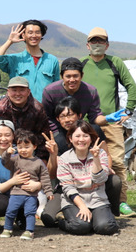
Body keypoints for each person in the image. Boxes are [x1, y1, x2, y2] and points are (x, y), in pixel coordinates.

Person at [80, 27, 136, 217]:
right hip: (85, 123)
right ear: (87, 44)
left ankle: (121, 202)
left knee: (118, 162)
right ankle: (87, 202)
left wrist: (128, 110)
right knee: (84, 162)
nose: (97, 44)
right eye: (93, 41)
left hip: (111, 121)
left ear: (107, 44)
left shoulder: (115, 63)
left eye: (101, 41)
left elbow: (131, 86)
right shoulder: (81, 65)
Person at [40, 97, 122, 227]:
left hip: (94, 182)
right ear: (57, 119)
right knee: (48, 218)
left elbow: (105, 154)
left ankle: (108, 213)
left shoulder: (93, 131)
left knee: (115, 180)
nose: (67, 120)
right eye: (63, 116)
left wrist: (105, 169)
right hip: (68, 186)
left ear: (79, 115)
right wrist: (53, 153)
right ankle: (69, 215)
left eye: (71, 114)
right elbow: (51, 174)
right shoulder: (57, 139)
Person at [0, 120, 42, 233]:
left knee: (32, 199)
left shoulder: (21, 151)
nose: (3, 139)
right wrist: (13, 181)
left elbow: (37, 172)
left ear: (13, 136)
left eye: (7, 135)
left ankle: (21, 218)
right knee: (1, 204)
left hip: (19, 192)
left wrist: (37, 184)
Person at [57, 120, 119, 235]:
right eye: (77, 136)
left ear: (91, 138)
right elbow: (67, 187)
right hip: (74, 201)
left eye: (85, 136)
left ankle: (102, 218)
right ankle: (61, 222)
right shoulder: (64, 159)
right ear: (70, 138)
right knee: (81, 226)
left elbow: (100, 180)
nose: (81, 140)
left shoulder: (101, 154)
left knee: (105, 227)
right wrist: (82, 206)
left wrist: (96, 159)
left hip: (97, 198)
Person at [0, 129, 53, 240]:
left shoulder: (39, 162)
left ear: (34, 146)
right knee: (10, 211)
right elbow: (5, 162)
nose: (23, 150)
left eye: (26, 147)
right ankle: (7, 228)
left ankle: (29, 231)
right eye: (20, 147)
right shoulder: (15, 160)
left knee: (30, 212)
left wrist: (48, 192)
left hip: (31, 194)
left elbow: (45, 178)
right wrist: (7, 153)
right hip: (16, 193)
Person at [0, 76, 50, 161]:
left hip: (29, 153)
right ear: (8, 92)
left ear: (28, 92)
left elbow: (43, 136)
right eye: (14, 90)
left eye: (22, 90)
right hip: (2, 153)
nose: (18, 94)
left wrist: (41, 159)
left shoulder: (37, 109)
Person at [0, 19, 59, 102]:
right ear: (23, 35)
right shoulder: (15, 59)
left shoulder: (52, 60)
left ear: (41, 35)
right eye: (30, 32)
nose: (34, 35)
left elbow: (56, 88)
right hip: (20, 110)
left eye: (37, 32)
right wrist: (10, 41)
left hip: (45, 110)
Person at [42, 57, 109, 132]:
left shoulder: (91, 91)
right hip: (58, 129)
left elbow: (94, 116)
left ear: (82, 75)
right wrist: (58, 134)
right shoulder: (50, 91)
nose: (72, 80)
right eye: (68, 76)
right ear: (61, 76)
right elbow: (48, 118)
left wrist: (107, 118)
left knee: (97, 130)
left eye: (75, 76)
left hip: (79, 127)